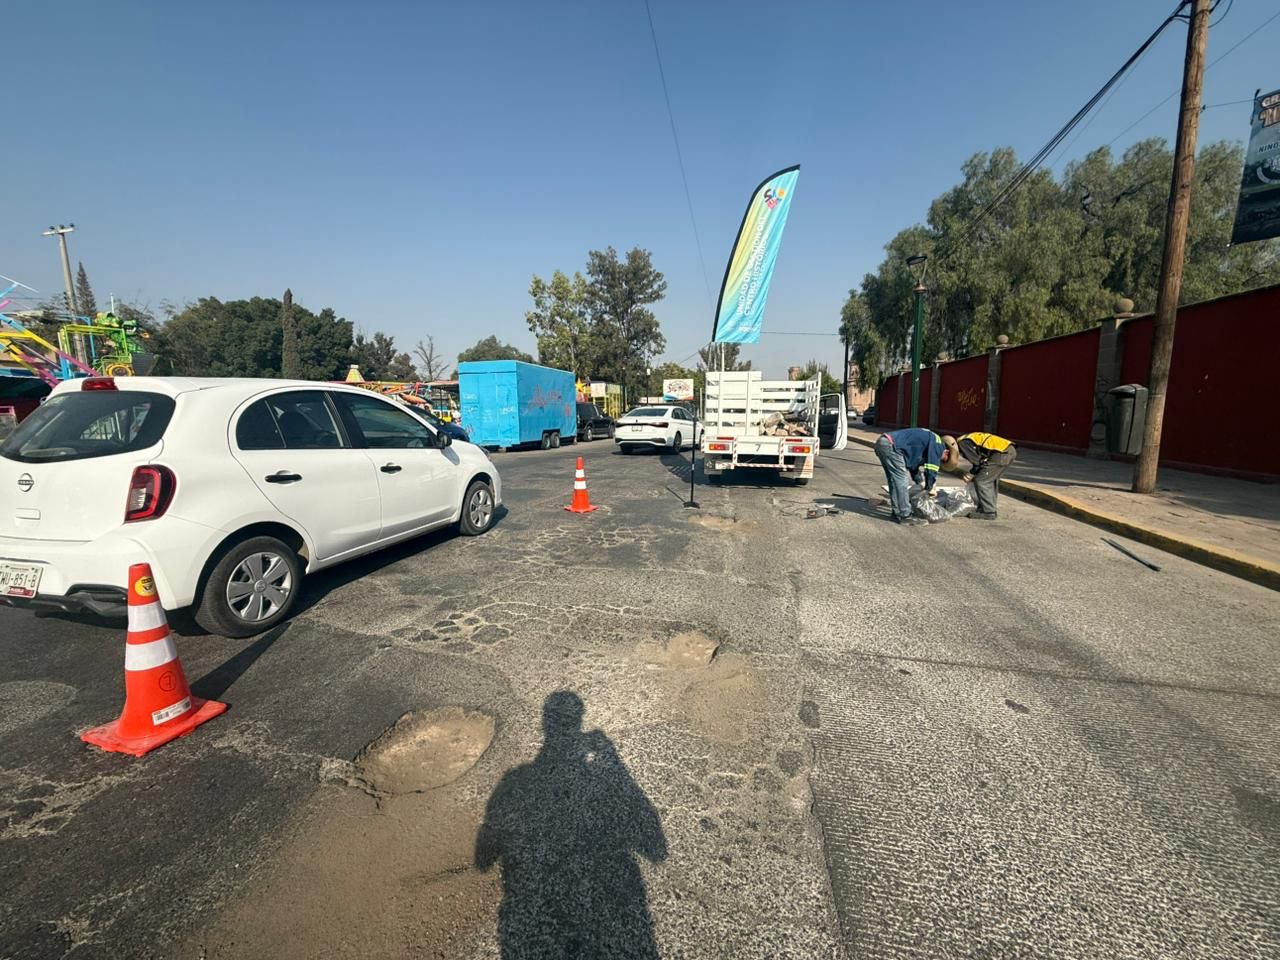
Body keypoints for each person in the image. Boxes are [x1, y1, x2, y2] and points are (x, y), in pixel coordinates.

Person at [873, 427, 950, 526]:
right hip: (891, 446)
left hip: (884, 443)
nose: (941, 461)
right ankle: (905, 515)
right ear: (946, 452)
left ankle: (897, 512)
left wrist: (920, 481)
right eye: (944, 460)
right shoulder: (938, 445)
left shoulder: (929, 441)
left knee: (893, 481)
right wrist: (929, 486)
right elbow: (932, 468)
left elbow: (913, 465)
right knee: (901, 481)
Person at [942, 432, 1017, 520]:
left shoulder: (963, 444)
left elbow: (977, 463)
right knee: (989, 480)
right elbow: (980, 461)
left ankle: (989, 512)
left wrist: (971, 474)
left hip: (1002, 452)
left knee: (981, 481)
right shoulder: (964, 440)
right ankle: (987, 507)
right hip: (1008, 450)